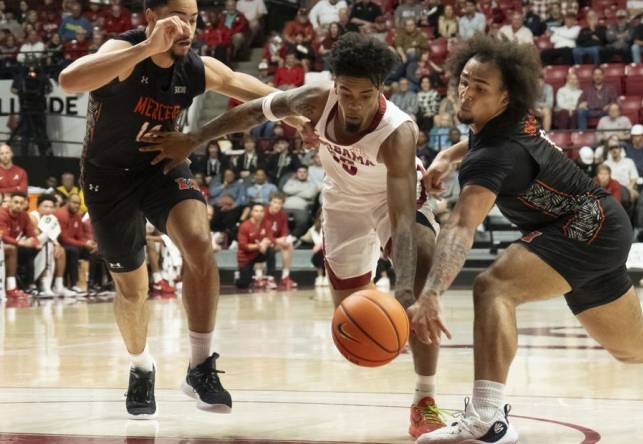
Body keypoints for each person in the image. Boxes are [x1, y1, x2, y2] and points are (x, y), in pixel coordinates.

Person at [410, 35, 643, 443]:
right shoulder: (508, 121)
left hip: (585, 227)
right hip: (597, 224)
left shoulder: (494, 157)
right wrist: (448, 155)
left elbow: (462, 224)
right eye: (464, 81)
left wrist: (431, 292)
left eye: (480, 88)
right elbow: (482, 139)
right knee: (633, 347)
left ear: (505, 98)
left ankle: (487, 417)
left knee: (493, 287)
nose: (466, 93)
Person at [138, 32, 446, 437]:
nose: (354, 104)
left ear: (381, 91)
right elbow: (251, 113)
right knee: (352, 318)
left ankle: (425, 400)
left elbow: (404, 219)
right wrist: (193, 139)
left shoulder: (397, 132)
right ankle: (383, 323)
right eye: (346, 92)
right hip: (342, 204)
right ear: (334, 84)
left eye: (365, 95)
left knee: (419, 272)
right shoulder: (315, 100)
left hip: (394, 203)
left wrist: (405, 291)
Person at [56, 0, 309, 419]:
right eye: (178, 18)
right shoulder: (122, 52)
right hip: (108, 178)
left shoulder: (192, 67)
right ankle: (141, 366)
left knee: (198, 242)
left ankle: (200, 364)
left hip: (161, 165)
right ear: (152, 17)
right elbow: (68, 79)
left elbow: (242, 84)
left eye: (193, 19)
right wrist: (144, 47)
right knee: (134, 291)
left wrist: (299, 115)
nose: (189, 28)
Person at [55, 193, 97, 294]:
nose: (77, 206)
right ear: (68, 202)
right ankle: (73, 285)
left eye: (78, 203)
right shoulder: (61, 214)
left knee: (93, 252)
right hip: (60, 245)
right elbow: (63, 238)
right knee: (73, 251)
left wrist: (88, 243)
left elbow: (80, 235)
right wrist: (83, 244)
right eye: (74, 203)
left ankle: (90, 284)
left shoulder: (77, 215)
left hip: (74, 244)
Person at [0, 192, 40, 298]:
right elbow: (3, 237)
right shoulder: (2, 214)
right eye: (16, 202)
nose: (18, 205)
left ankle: (30, 285)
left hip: (14, 246)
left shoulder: (24, 215)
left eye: (21, 203)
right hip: (4, 245)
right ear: (10, 203)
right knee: (13, 249)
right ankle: (11, 288)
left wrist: (35, 242)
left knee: (32, 250)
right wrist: (20, 242)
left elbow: (31, 234)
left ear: (25, 205)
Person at [235, 203, 276, 289]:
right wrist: (258, 246)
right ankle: (239, 275)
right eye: (256, 211)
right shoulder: (244, 226)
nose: (259, 213)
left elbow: (271, 239)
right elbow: (243, 246)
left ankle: (270, 278)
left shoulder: (267, 223)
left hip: (259, 253)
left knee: (271, 250)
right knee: (243, 284)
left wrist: (265, 243)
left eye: (261, 211)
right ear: (251, 213)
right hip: (246, 257)